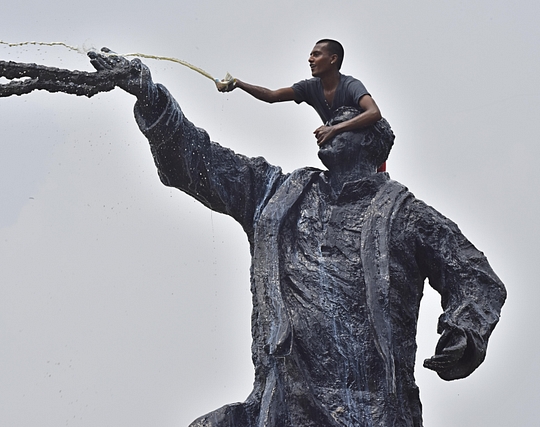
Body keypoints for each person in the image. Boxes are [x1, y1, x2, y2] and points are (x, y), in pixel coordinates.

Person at [89, 50, 506, 427]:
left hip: (370, 407)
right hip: (281, 401)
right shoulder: (277, 193)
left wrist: (464, 331)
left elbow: (475, 276)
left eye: (343, 120)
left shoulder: (407, 217)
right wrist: (152, 99)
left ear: (371, 141)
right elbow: (202, 162)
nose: (330, 122)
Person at [218, 39, 382, 152]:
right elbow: (272, 96)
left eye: (316, 55)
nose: (310, 59)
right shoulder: (309, 87)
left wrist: (333, 129)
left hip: (367, 147)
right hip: (340, 150)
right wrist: (238, 83)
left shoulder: (350, 85)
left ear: (333, 59)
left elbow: (374, 113)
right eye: (311, 55)